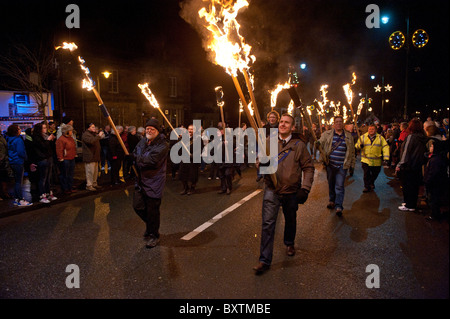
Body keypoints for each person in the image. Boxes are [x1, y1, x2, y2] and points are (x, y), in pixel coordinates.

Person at [253, 114, 315, 275]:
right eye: (281, 122)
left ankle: (289, 242)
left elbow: (308, 167)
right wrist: (261, 163)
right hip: (271, 190)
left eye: (287, 123)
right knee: (267, 224)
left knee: (290, 219)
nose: (283, 124)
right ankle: (264, 260)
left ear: (292, 127)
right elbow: (258, 162)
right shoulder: (269, 142)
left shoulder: (299, 146)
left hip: (291, 191)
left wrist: (305, 188)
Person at [132, 118, 170, 248]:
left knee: (152, 210)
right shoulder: (143, 141)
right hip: (141, 180)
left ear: (157, 131)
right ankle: (151, 226)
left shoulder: (163, 145)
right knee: (138, 206)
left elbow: (152, 160)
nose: (149, 130)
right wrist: (134, 157)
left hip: (154, 182)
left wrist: (136, 159)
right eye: (147, 128)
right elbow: (136, 152)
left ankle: (154, 235)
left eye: (152, 129)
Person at [316, 115, 355, 216]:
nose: (338, 123)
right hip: (330, 165)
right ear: (334, 124)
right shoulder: (327, 134)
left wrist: (352, 165)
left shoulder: (348, 136)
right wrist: (318, 143)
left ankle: (339, 206)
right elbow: (321, 143)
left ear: (343, 124)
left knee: (340, 185)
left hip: (342, 166)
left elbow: (352, 152)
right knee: (331, 184)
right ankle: (332, 200)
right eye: (336, 122)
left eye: (340, 122)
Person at [396, 118, 428, 212]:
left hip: (409, 166)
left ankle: (409, 204)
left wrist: (400, 164)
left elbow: (406, 152)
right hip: (417, 165)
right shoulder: (422, 137)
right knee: (414, 186)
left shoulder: (411, 137)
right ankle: (411, 204)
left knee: (407, 186)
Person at [423, 125, 448, 221]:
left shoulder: (435, 160)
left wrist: (427, 180)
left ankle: (435, 215)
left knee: (433, 199)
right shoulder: (436, 158)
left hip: (434, 183)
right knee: (434, 198)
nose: (430, 147)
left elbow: (433, 173)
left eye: (432, 146)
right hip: (435, 183)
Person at [355, 124, 390, 192]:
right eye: (370, 129)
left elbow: (385, 147)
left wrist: (386, 157)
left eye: (372, 129)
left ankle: (371, 182)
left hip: (376, 161)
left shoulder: (380, 138)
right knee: (366, 174)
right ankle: (367, 187)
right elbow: (356, 145)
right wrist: (359, 146)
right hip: (366, 160)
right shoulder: (363, 137)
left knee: (375, 173)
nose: (371, 131)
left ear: (376, 130)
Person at [6, 125, 32, 206]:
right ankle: (20, 199)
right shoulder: (18, 140)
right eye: (19, 128)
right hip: (18, 161)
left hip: (12, 161)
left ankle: (17, 199)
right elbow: (21, 152)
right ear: (16, 131)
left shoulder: (9, 139)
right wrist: (25, 158)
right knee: (19, 182)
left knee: (16, 181)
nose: (20, 130)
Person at [31, 123, 57, 203]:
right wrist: (48, 140)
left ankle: (48, 193)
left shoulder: (45, 136)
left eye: (46, 127)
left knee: (48, 178)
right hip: (42, 159)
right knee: (43, 178)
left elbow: (50, 147)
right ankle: (42, 195)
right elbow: (42, 146)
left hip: (48, 157)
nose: (45, 129)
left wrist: (52, 140)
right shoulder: (36, 138)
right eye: (44, 128)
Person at [257, 111, 280, 182]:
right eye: (270, 117)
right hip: (267, 151)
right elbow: (260, 141)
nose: (272, 119)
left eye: (274, 117)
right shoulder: (264, 128)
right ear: (268, 119)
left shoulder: (280, 127)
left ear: (277, 118)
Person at [179, 124, 200, 195]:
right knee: (182, 174)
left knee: (192, 175)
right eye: (189, 129)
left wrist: (193, 155)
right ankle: (185, 188)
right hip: (184, 159)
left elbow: (199, 150)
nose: (190, 130)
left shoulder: (198, 139)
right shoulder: (184, 138)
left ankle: (192, 188)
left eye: (192, 129)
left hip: (192, 160)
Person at [82, 123, 104, 191]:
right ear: (88, 128)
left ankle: (94, 183)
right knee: (90, 172)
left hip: (95, 156)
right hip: (90, 156)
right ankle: (89, 185)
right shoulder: (86, 135)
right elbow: (91, 141)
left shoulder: (93, 134)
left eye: (94, 127)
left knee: (95, 172)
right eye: (93, 127)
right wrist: (98, 136)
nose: (94, 128)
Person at [56, 124, 77, 194]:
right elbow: (59, 149)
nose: (71, 132)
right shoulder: (61, 139)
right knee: (65, 174)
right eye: (70, 131)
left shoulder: (70, 138)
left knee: (71, 174)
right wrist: (61, 158)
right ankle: (65, 188)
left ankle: (70, 187)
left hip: (71, 158)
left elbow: (73, 147)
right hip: (65, 159)